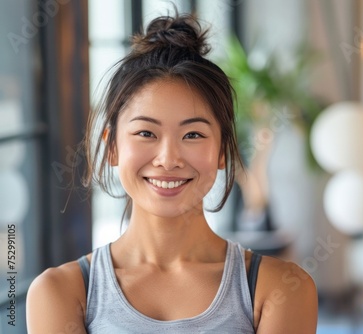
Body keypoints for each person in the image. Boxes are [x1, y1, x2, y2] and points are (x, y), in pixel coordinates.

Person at [26, 12, 318, 334]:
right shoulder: (61, 293)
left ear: (222, 151)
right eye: (146, 133)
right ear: (112, 148)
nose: (168, 159)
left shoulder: (280, 289)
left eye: (193, 135)